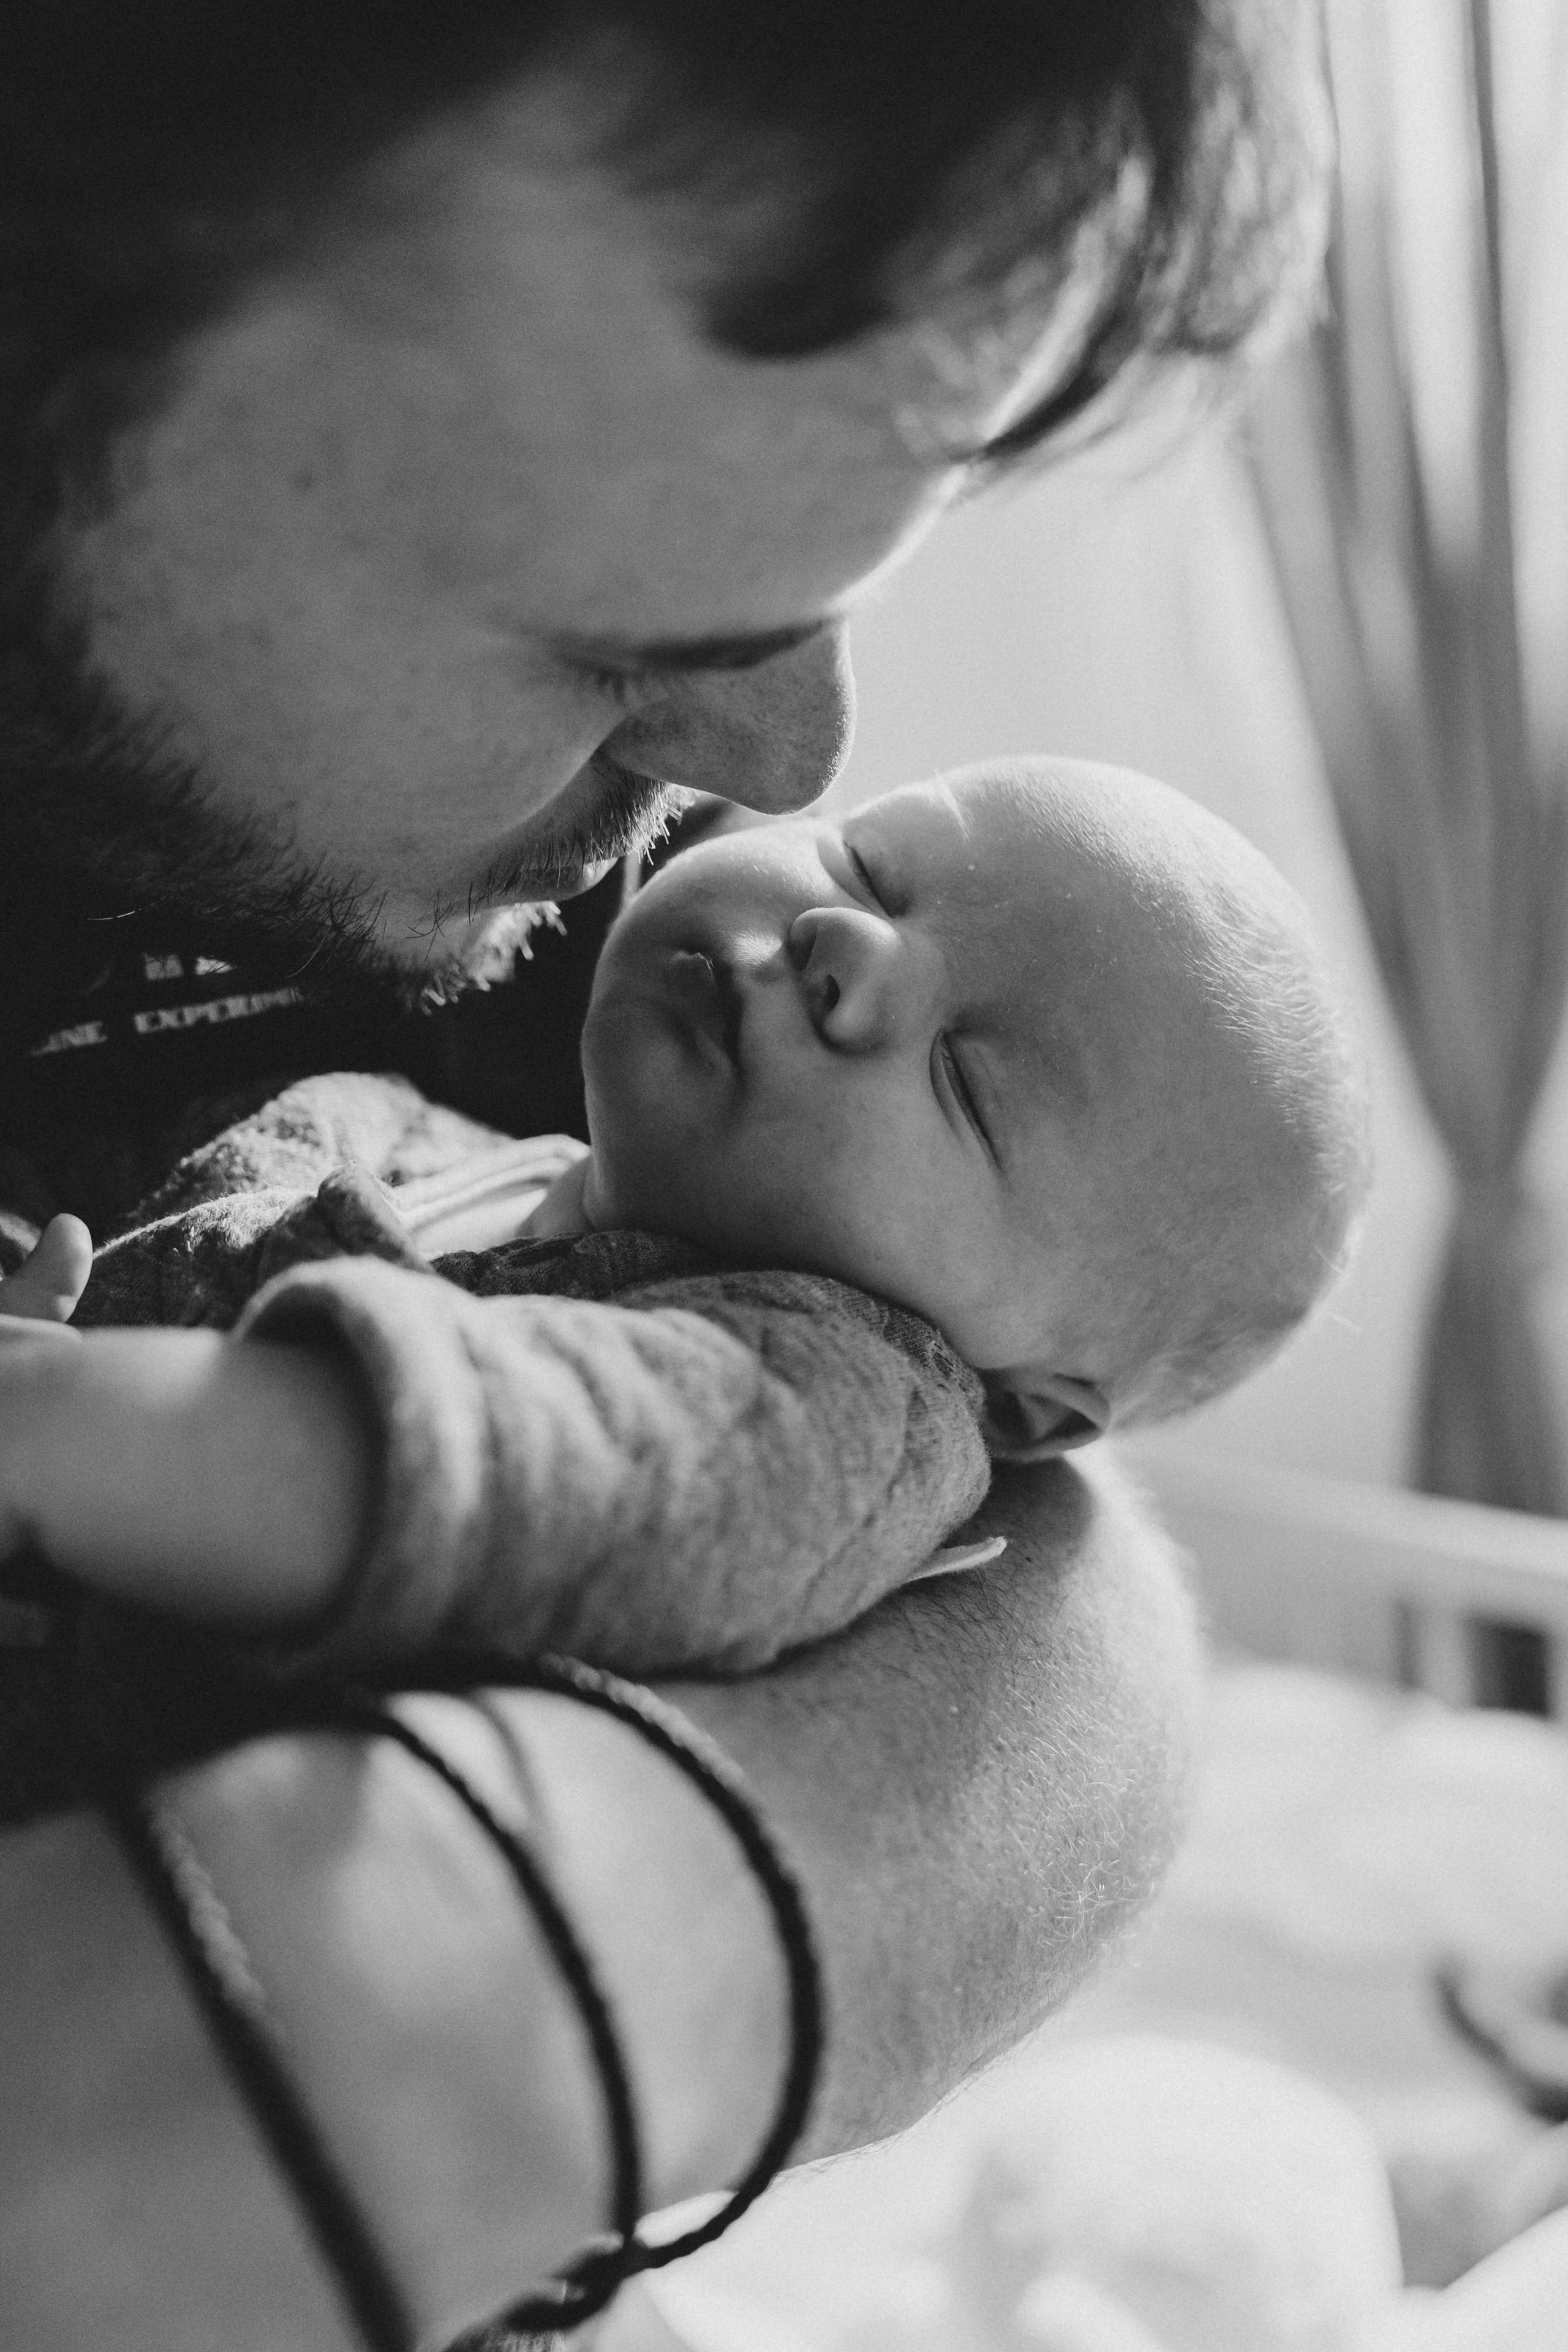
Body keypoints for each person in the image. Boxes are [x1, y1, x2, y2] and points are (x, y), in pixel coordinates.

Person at [0, 2, 1333, 2340]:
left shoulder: (587, 955)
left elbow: (1038, 1583)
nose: (792, 764)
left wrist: (534, 1954)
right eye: (630, 636)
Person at [1, 758, 1366, 1689]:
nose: (848, 943)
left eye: (966, 1080)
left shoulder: (837, 1405)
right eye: (874, 865)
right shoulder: (412, 1134)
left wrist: (58, 1423)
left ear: (1019, 1413)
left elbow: (522, 1474)